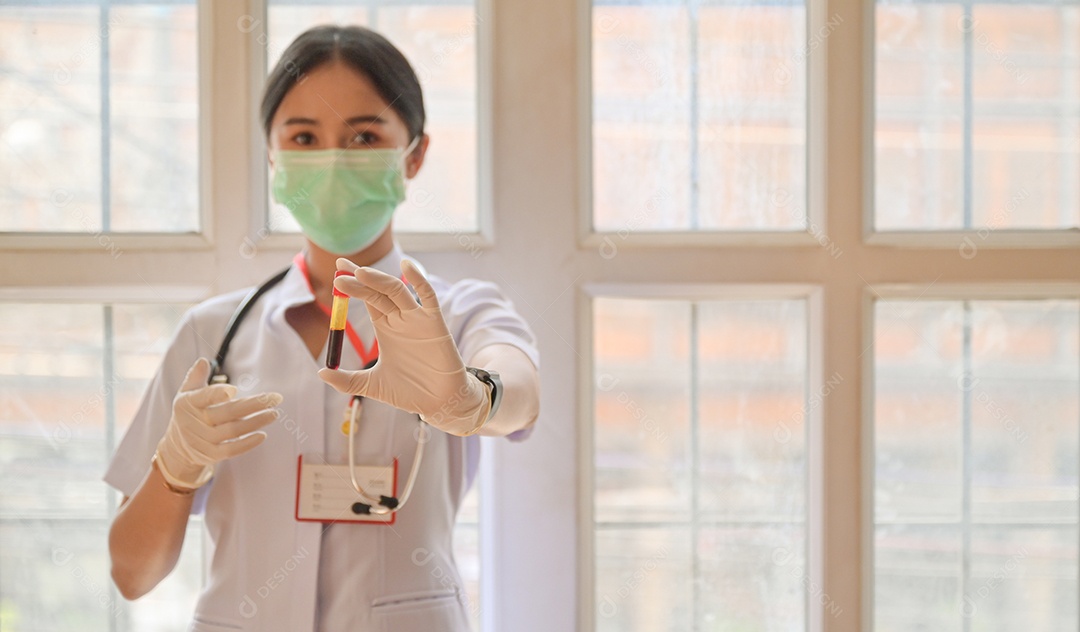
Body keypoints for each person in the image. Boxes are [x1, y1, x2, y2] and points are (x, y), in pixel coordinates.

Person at [105, 25, 540, 631]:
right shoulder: (212, 336)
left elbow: (520, 393)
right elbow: (132, 574)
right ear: (273, 156)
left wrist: (472, 398)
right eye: (304, 137)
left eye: (364, 135)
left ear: (414, 154)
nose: (333, 160)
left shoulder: (460, 314)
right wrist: (175, 468)